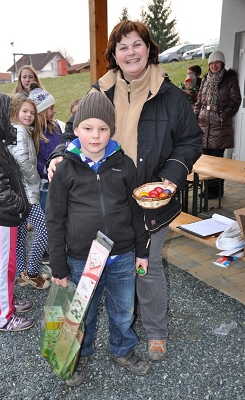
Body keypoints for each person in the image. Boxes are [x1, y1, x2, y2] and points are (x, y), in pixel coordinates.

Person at [47, 20, 203, 363]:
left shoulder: (171, 95)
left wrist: (171, 177)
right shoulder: (99, 91)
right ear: (114, 55)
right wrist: (59, 156)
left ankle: (156, 333)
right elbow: (71, 132)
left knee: (146, 268)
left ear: (149, 48)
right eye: (123, 46)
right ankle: (84, 344)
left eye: (137, 44)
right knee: (94, 275)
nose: (130, 52)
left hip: (151, 201)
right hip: (103, 198)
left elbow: (192, 140)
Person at [45, 91, 151, 386]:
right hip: (82, 259)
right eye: (88, 128)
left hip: (122, 255)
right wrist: (59, 266)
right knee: (83, 314)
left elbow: (136, 210)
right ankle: (82, 352)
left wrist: (142, 251)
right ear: (76, 129)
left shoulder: (124, 164)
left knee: (123, 310)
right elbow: (54, 218)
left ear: (111, 130)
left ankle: (123, 349)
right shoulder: (65, 168)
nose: (96, 136)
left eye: (103, 129)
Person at [0, 89, 34, 331]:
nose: (8, 119)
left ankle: (8, 302)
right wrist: (19, 206)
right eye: (4, 114)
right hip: (1, 216)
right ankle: (4, 317)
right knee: (2, 268)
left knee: (6, 264)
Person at [8, 94, 50, 289]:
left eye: (32, 113)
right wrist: (35, 179)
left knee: (21, 232)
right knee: (45, 230)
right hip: (27, 192)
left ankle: (23, 273)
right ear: (15, 111)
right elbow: (22, 159)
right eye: (25, 111)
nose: (29, 115)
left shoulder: (20, 130)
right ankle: (32, 273)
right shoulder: (18, 130)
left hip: (20, 191)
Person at [194, 50, 241, 199]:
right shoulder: (205, 79)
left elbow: (235, 101)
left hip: (219, 126)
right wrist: (194, 117)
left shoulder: (229, 79)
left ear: (222, 64)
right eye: (212, 63)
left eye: (217, 63)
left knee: (217, 161)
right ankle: (208, 189)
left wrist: (222, 116)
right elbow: (200, 101)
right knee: (206, 160)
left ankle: (215, 191)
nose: (214, 66)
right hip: (204, 124)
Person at [29, 83, 62, 265]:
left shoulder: (56, 127)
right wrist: (46, 169)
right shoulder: (34, 134)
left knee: (58, 213)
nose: (55, 111)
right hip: (44, 184)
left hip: (58, 179)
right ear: (41, 111)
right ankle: (44, 251)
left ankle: (56, 245)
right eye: (51, 108)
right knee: (47, 215)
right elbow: (35, 159)